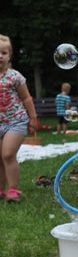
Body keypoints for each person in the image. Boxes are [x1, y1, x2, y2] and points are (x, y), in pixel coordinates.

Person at [0, 34, 38, 202]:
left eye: (4, 53)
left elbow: (26, 98)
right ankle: (1, 189)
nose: (0, 56)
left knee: (8, 154)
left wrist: (33, 118)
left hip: (16, 121)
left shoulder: (14, 76)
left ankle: (13, 190)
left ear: (10, 56)